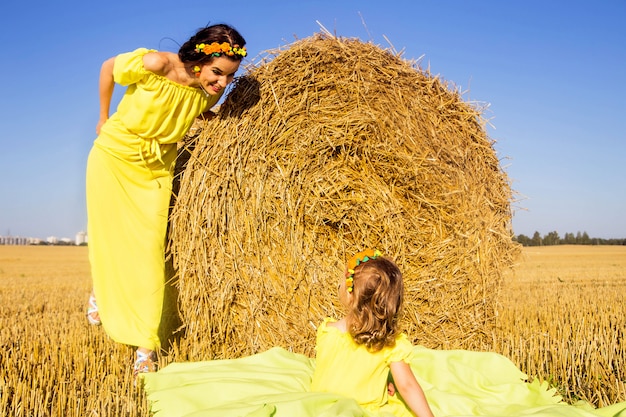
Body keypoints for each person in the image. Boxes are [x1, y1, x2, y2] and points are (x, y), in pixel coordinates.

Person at [85, 23, 247, 376]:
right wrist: (102, 117)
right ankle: (103, 292)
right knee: (108, 233)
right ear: (199, 59)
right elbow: (108, 68)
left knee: (149, 252)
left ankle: (145, 344)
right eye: (217, 73)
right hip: (114, 155)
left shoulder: (210, 92)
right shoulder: (157, 64)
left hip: (157, 169)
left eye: (229, 78)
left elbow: (189, 111)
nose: (221, 83)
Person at [310, 249, 435, 417]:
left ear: (349, 294)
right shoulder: (390, 343)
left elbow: (343, 372)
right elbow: (407, 385)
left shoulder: (327, 331)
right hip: (363, 412)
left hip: (319, 408)